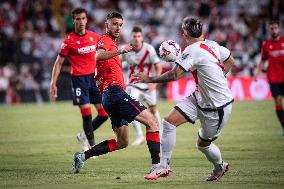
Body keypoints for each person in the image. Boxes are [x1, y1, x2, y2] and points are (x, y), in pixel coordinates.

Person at [133, 17, 235, 181]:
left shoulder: (192, 50)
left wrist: (149, 79)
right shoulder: (213, 45)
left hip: (217, 107)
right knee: (168, 122)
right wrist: (218, 79)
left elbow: (175, 75)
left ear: (184, 34)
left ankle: (220, 166)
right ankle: (163, 167)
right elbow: (230, 60)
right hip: (200, 97)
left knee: (203, 144)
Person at [72, 12, 161, 178]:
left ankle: (82, 156)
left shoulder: (110, 43)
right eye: (115, 24)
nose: (118, 27)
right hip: (114, 92)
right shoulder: (105, 40)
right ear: (107, 24)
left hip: (108, 97)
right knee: (152, 122)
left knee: (122, 142)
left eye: (120, 24)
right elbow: (97, 55)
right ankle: (157, 167)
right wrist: (120, 51)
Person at [50, 8, 108, 151]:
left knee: (104, 114)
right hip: (78, 80)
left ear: (86, 20)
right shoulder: (68, 41)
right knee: (87, 113)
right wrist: (53, 83)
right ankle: (91, 147)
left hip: (93, 79)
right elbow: (58, 63)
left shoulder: (94, 37)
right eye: (78, 19)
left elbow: (103, 54)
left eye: (83, 18)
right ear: (73, 20)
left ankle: (82, 135)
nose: (81, 21)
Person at [121, 26, 162, 145]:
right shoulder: (126, 49)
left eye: (139, 36)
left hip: (148, 83)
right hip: (133, 84)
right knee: (131, 108)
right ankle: (139, 136)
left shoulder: (149, 49)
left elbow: (158, 66)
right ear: (131, 37)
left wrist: (154, 82)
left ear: (142, 37)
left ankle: (158, 132)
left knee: (153, 109)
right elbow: (117, 62)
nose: (137, 38)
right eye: (134, 36)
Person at [254, 20, 284, 136]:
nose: (274, 30)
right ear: (269, 30)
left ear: (279, 29)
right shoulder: (266, 44)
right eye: (272, 28)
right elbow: (263, 60)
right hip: (274, 78)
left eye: (275, 28)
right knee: (278, 102)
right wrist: (257, 73)